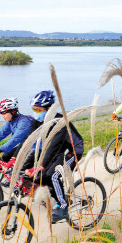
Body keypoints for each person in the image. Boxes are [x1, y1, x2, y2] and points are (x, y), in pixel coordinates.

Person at [21, 90, 84, 223]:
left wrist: (41, 165)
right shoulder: (38, 122)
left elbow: (54, 145)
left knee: (53, 175)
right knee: (42, 177)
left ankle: (63, 207)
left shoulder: (60, 121)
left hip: (72, 151)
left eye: (39, 110)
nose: (36, 113)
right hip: (58, 151)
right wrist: (21, 163)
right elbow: (29, 142)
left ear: (49, 109)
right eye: (34, 109)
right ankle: (60, 197)